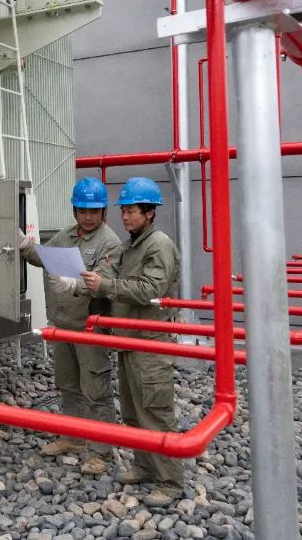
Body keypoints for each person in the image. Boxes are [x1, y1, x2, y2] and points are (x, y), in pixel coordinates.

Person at [74, 177, 184, 495]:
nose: (125, 216)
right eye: (123, 210)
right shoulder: (131, 245)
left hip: (151, 343)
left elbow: (150, 289)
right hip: (130, 341)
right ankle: (145, 467)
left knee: (156, 412)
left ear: (150, 212)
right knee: (134, 410)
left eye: (131, 210)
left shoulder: (158, 245)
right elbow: (110, 272)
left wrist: (106, 286)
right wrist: (87, 282)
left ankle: (170, 482)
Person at [17, 177, 121, 475]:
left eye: (94, 211)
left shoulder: (109, 242)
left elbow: (103, 281)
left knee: (95, 388)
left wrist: (75, 285)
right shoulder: (66, 235)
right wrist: (24, 245)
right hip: (63, 325)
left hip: (90, 328)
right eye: (82, 211)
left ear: (103, 212)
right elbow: (44, 256)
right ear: (74, 210)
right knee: (68, 384)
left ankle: (101, 451)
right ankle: (74, 437)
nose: (88, 217)